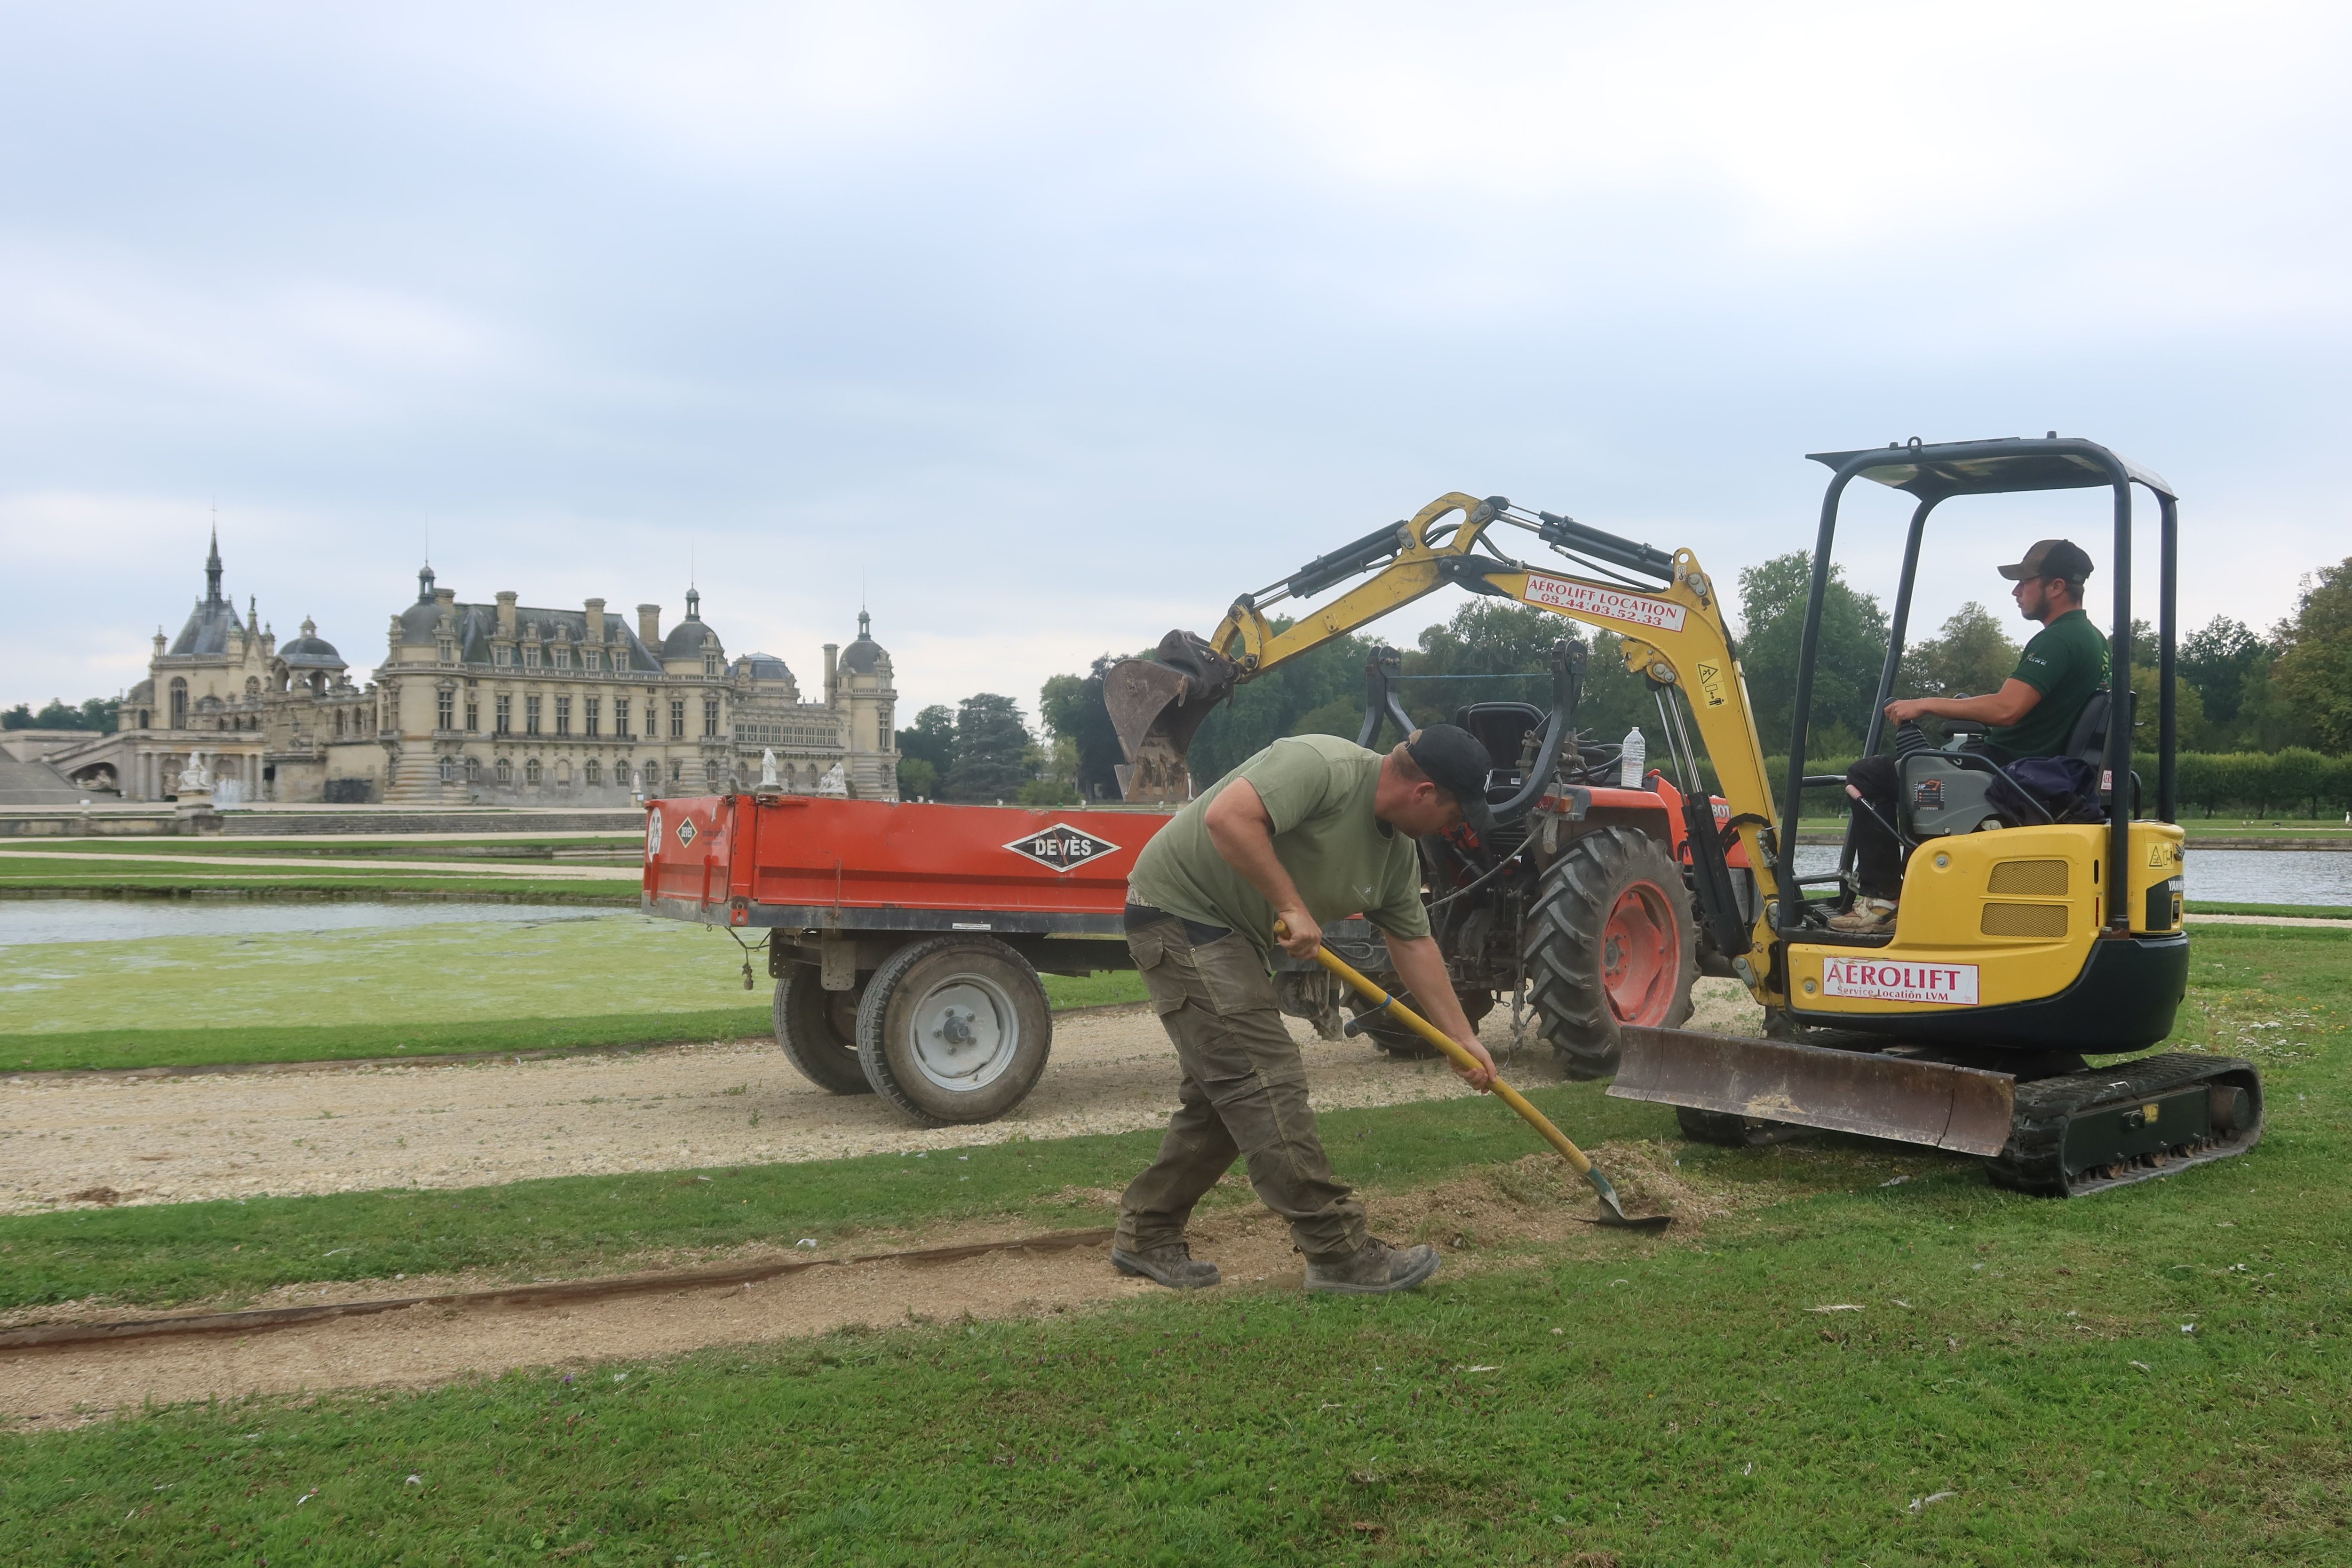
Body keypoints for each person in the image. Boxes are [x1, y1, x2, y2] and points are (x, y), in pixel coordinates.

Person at [1113, 726, 1502, 1295]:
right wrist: (1291, 905)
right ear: (1423, 793)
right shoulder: (1319, 764)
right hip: (1179, 910)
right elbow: (1228, 818)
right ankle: (1337, 1250)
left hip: (1233, 934)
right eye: (1454, 813)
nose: (1456, 828)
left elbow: (1413, 943)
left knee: (1227, 1096)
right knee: (1264, 1080)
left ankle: (1146, 1233)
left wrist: (1460, 1038)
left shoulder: (1396, 855)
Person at [1832, 538, 2109, 933]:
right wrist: (1960, 705)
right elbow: (2012, 700)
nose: (2016, 591)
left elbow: (2005, 709)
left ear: (2056, 587)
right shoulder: (2095, 641)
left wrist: (1925, 704)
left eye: (2024, 582)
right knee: (1910, 766)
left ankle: (1882, 898)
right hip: (2052, 772)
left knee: (1868, 774)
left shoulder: (2058, 640)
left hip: (2011, 771)